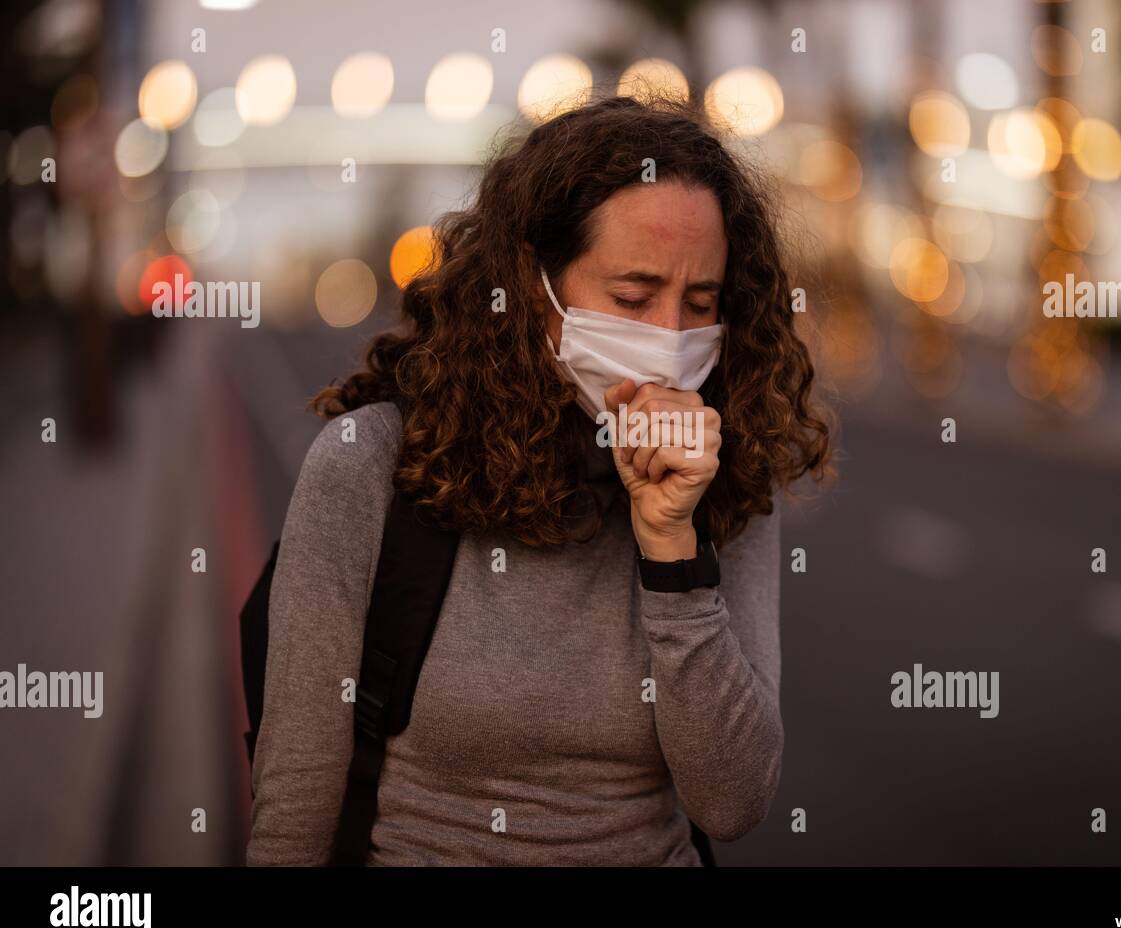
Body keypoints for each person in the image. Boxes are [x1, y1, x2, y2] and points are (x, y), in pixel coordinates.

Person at [246, 94, 831, 866]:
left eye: (700, 303)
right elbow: (294, 807)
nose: (668, 342)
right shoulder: (372, 467)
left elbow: (733, 800)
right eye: (631, 297)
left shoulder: (719, 473)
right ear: (532, 287)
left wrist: (673, 551)